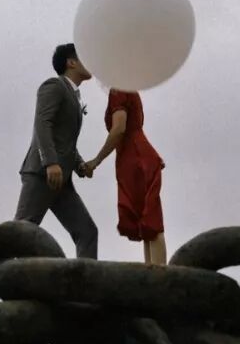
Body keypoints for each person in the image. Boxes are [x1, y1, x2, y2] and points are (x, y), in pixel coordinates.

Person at [15, 43, 99, 259]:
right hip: (42, 174)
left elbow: (65, 140)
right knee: (21, 233)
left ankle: (85, 280)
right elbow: (43, 124)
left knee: (87, 232)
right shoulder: (54, 85)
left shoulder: (74, 95)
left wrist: (79, 165)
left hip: (63, 180)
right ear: (71, 63)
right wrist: (50, 162)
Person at [84, 89, 167, 265]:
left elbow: (119, 129)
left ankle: (160, 276)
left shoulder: (118, 90)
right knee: (147, 224)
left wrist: (96, 160)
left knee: (152, 224)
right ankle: (152, 273)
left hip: (134, 158)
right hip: (137, 155)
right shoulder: (129, 90)